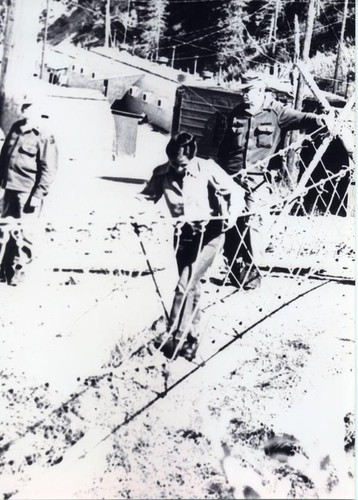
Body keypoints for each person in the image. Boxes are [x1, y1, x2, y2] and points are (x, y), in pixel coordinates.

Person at [217, 71, 330, 289]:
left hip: (257, 180)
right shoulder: (236, 114)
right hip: (231, 178)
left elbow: (301, 118)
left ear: (260, 91)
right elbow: (224, 147)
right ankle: (233, 267)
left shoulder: (276, 112)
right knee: (231, 224)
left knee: (253, 227)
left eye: (249, 92)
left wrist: (321, 119)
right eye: (243, 92)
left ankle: (251, 274)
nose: (245, 96)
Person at [139, 132, 245, 361]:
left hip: (210, 235)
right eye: (174, 164)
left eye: (183, 165)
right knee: (192, 286)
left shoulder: (207, 169)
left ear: (192, 158)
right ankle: (193, 338)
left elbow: (236, 192)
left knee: (184, 285)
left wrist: (232, 216)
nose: (178, 169)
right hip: (183, 235)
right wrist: (137, 216)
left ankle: (175, 337)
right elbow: (145, 197)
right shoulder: (162, 172)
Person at [0, 97, 58, 285]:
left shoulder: (44, 135)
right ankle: (4, 270)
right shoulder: (16, 127)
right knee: (5, 231)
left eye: (28, 106)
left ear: (37, 109)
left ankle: (19, 273)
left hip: (27, 193)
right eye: (23, 106)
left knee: (24, 234)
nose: (23, 109)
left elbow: (49, 169)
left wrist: (37, 195)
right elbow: (3, 157)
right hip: (8, 189)